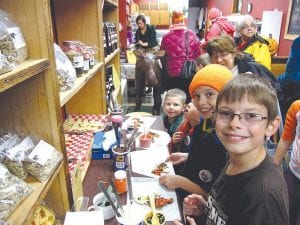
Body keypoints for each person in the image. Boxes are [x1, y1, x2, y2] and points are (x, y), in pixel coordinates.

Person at [175, 74, 289, 225]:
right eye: (226, 113)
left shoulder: (264, 196)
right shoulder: (233, 159)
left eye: (251, 115)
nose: (234, 123)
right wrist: (207, 210)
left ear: (271, 126)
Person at [159, 65, 233, 211]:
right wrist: (188, 156)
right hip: (187, 195)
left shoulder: (227, 141)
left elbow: (213, 195)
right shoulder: (205, 122)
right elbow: (206, 156)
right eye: (197, 96)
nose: (201, 102)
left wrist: (180, 182)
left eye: (209, 94)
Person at [204, 35, 284, 116]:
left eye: (223, 55)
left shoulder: (255, 69)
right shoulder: (211, 75)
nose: (219, 60)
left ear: (234, 53)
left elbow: (275, 95)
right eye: (214, 56)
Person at [160, 11, 201, 102]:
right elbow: (198, 54)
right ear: (183, 20)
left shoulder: (166, 37)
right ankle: (186, 115)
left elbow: (162, 56)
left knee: (174, 99)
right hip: (188, 72)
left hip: (171, 73)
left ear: (172, 21)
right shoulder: (192, 35)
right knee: (187, 98)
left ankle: (173, 115)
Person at [274, 100, 300, 225]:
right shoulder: (297, 107)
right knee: (284, 214)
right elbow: (285, 140)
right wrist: (273, 168)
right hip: (293, 175)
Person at [134, 15, 160, 114]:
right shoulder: (137, 31)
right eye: (138, 23)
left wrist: (143, 44)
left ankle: (156, 106)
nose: (139, 25)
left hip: (152, 51)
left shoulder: (151, 29)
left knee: (154, 67)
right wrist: (137, 44)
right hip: (142, 53)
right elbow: (136, 42)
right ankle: (138, 104)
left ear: (144, 22)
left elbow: (153, 42)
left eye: (140, 23)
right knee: (139, 69)